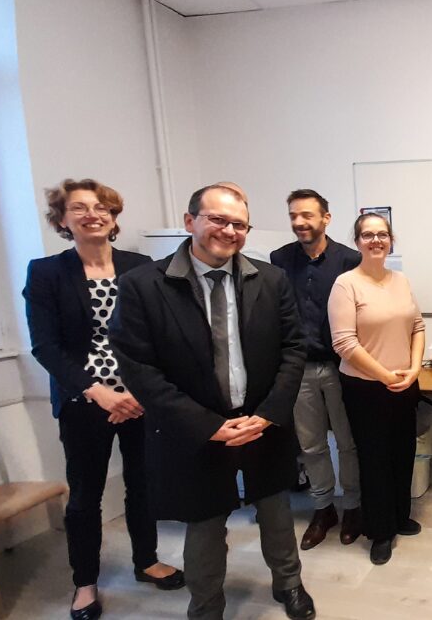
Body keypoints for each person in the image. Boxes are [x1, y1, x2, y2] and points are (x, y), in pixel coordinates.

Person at [110, 184, 315, 619]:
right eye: (217, 219)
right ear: (191, 222)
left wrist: (267, 415)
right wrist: (207, 425)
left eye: (238, 223)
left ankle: (289, 584)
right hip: (196, 429)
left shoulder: (271, 279)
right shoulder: (144, 286)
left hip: (263, 422)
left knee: (276, 511)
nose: (229, 230)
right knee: (204, 524)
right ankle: (206, 606)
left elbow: (294, 350)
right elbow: (139, 368)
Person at [23, 179, 181, 620]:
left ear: (113, 218)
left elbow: (157, 334)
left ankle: (145, 560)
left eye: (102, 207)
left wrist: (137, 390)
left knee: (143, 483)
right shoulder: (46, 273)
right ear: (62, 219)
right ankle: (85, 583)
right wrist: (100, 393)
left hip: (139, 398)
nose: (93, 213)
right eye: (79, 208)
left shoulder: (140, 265)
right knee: (85, 495)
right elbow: (46, 347)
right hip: (84, 401)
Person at [270, 189, 363, 551]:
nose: (299, 222)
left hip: (343, 367)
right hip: (300, 369)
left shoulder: (350, 259)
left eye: (307, 215)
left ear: (326, 218)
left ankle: (353, 507)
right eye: (293, 215)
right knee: (310, 445)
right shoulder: (280, 260)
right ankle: (323, 509)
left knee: (347, 442)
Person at [329, 212, 425, 565]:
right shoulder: (346, 284)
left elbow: (417, 327)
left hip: (405, 383)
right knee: (374, 460)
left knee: (402, 454)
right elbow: (344, 343)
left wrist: (414, 368)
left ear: (391, 240)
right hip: (366, 388)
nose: (376, 240)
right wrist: (386, 375)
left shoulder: (400, 280)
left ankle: (400, 517)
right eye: (368, 235)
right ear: (357, 242)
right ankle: (380, 531)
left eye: (382, 234)